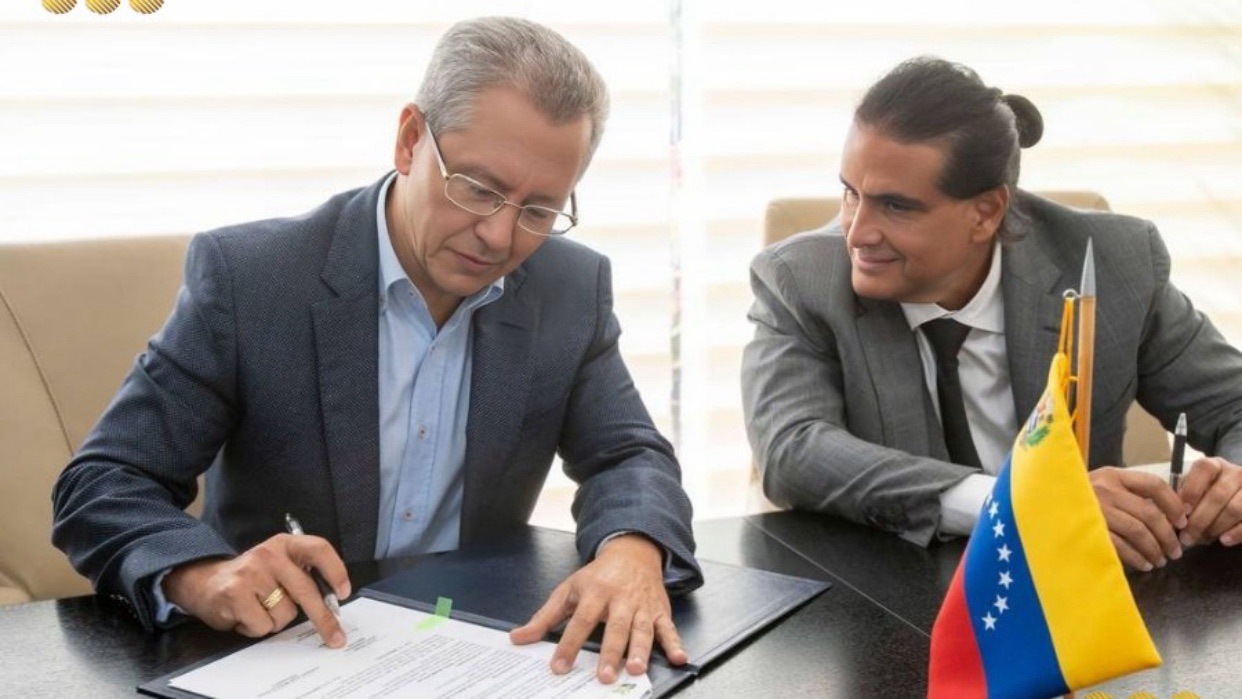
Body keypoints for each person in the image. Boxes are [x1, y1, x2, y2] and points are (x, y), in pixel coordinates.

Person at [52, 16, 701, 685]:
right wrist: (201, 575)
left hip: (468, 651)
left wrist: (633, 547)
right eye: (478, 188)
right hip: (278, 654)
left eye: (539, 210)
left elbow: (627, 454)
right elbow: (105, 482)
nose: (500, 236)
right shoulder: (252, 280)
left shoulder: (569, 287)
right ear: (410, 140)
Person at [741, 56, 1242, 573]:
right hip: (889, 586)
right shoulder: (802, 279)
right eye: (851, 193)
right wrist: (1021, 503)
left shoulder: (1115, 264)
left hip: (1079, 590)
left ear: (985, 213)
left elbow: (1234, 406)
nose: (857, 231)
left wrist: (1231, 489)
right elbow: (793, 451)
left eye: (896, 206)